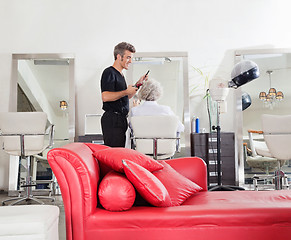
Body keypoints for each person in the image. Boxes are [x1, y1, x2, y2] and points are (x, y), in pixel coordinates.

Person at [100, 42, 147, 147]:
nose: (130, 61)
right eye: (128, 57)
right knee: (114, 154)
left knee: (119, 152)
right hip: (113, 120)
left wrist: (138, 84)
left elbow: (126, 96)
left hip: (120, 119)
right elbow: (105, 97)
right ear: (119, 57)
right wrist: (126, 91)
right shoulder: (109, 72)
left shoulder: (120, 75)